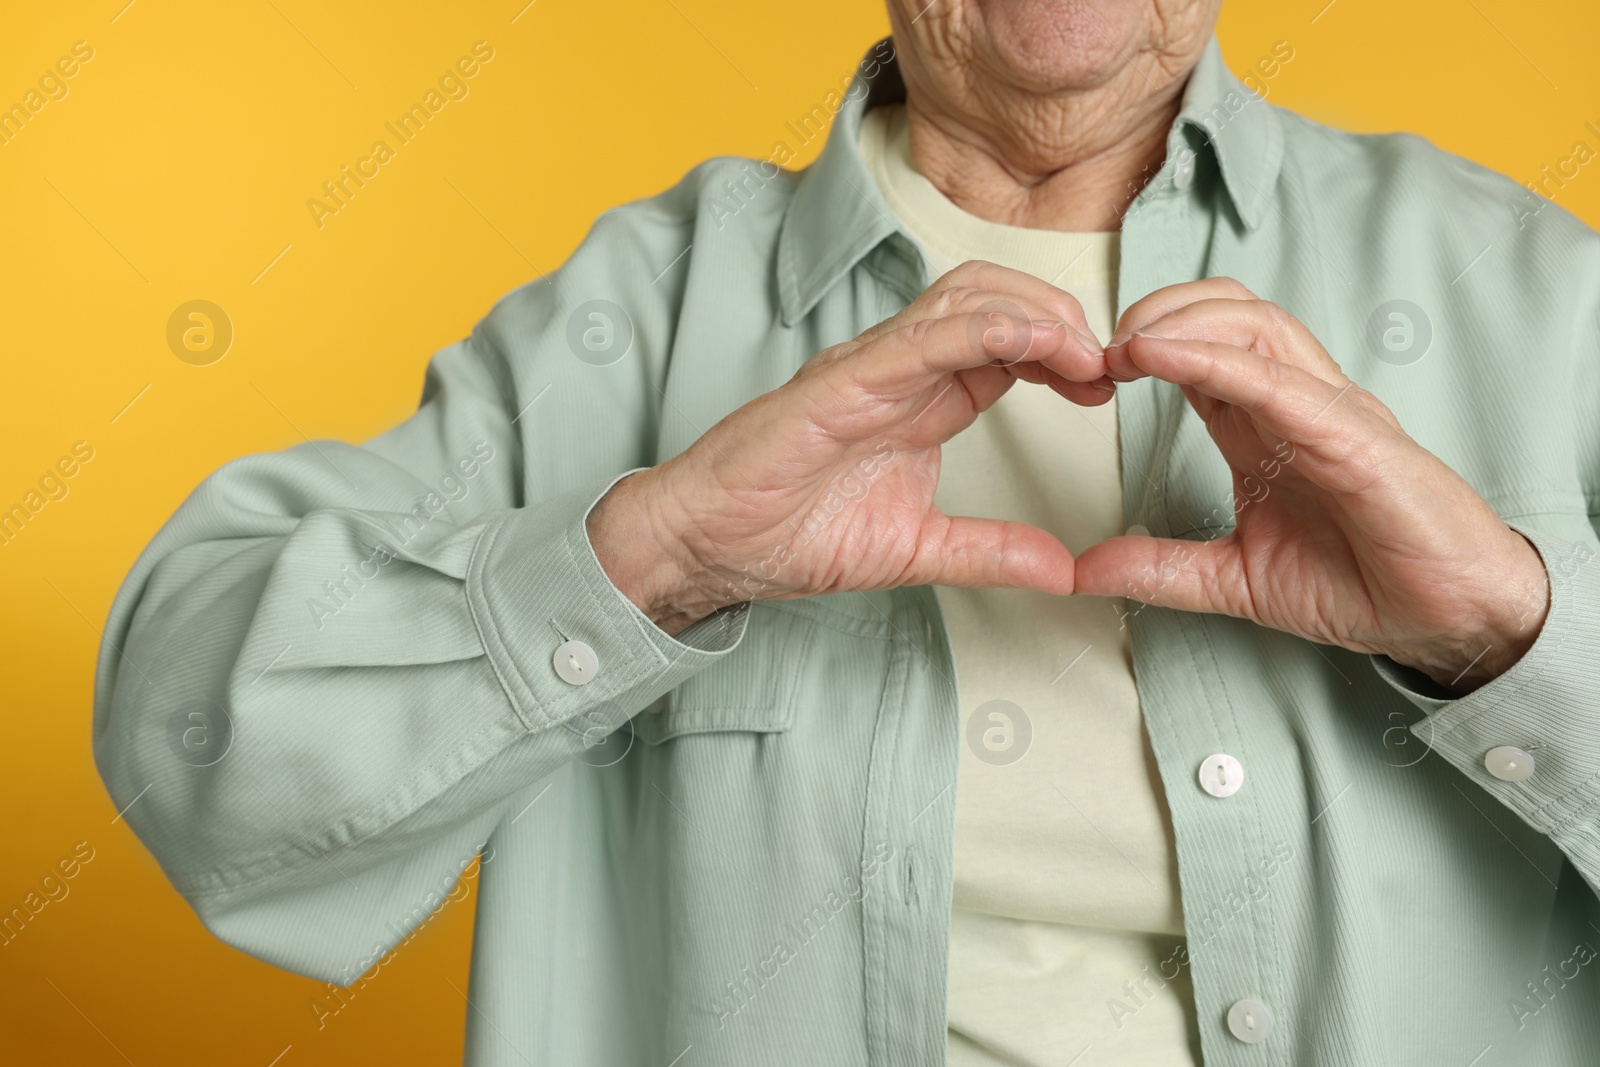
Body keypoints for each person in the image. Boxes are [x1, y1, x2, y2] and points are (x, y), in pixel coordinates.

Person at [95, 1, 1600, 1064]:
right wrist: (650, 558)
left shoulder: (1528, 288)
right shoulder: (635, 308)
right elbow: (196, 745)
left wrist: (1515, 635)